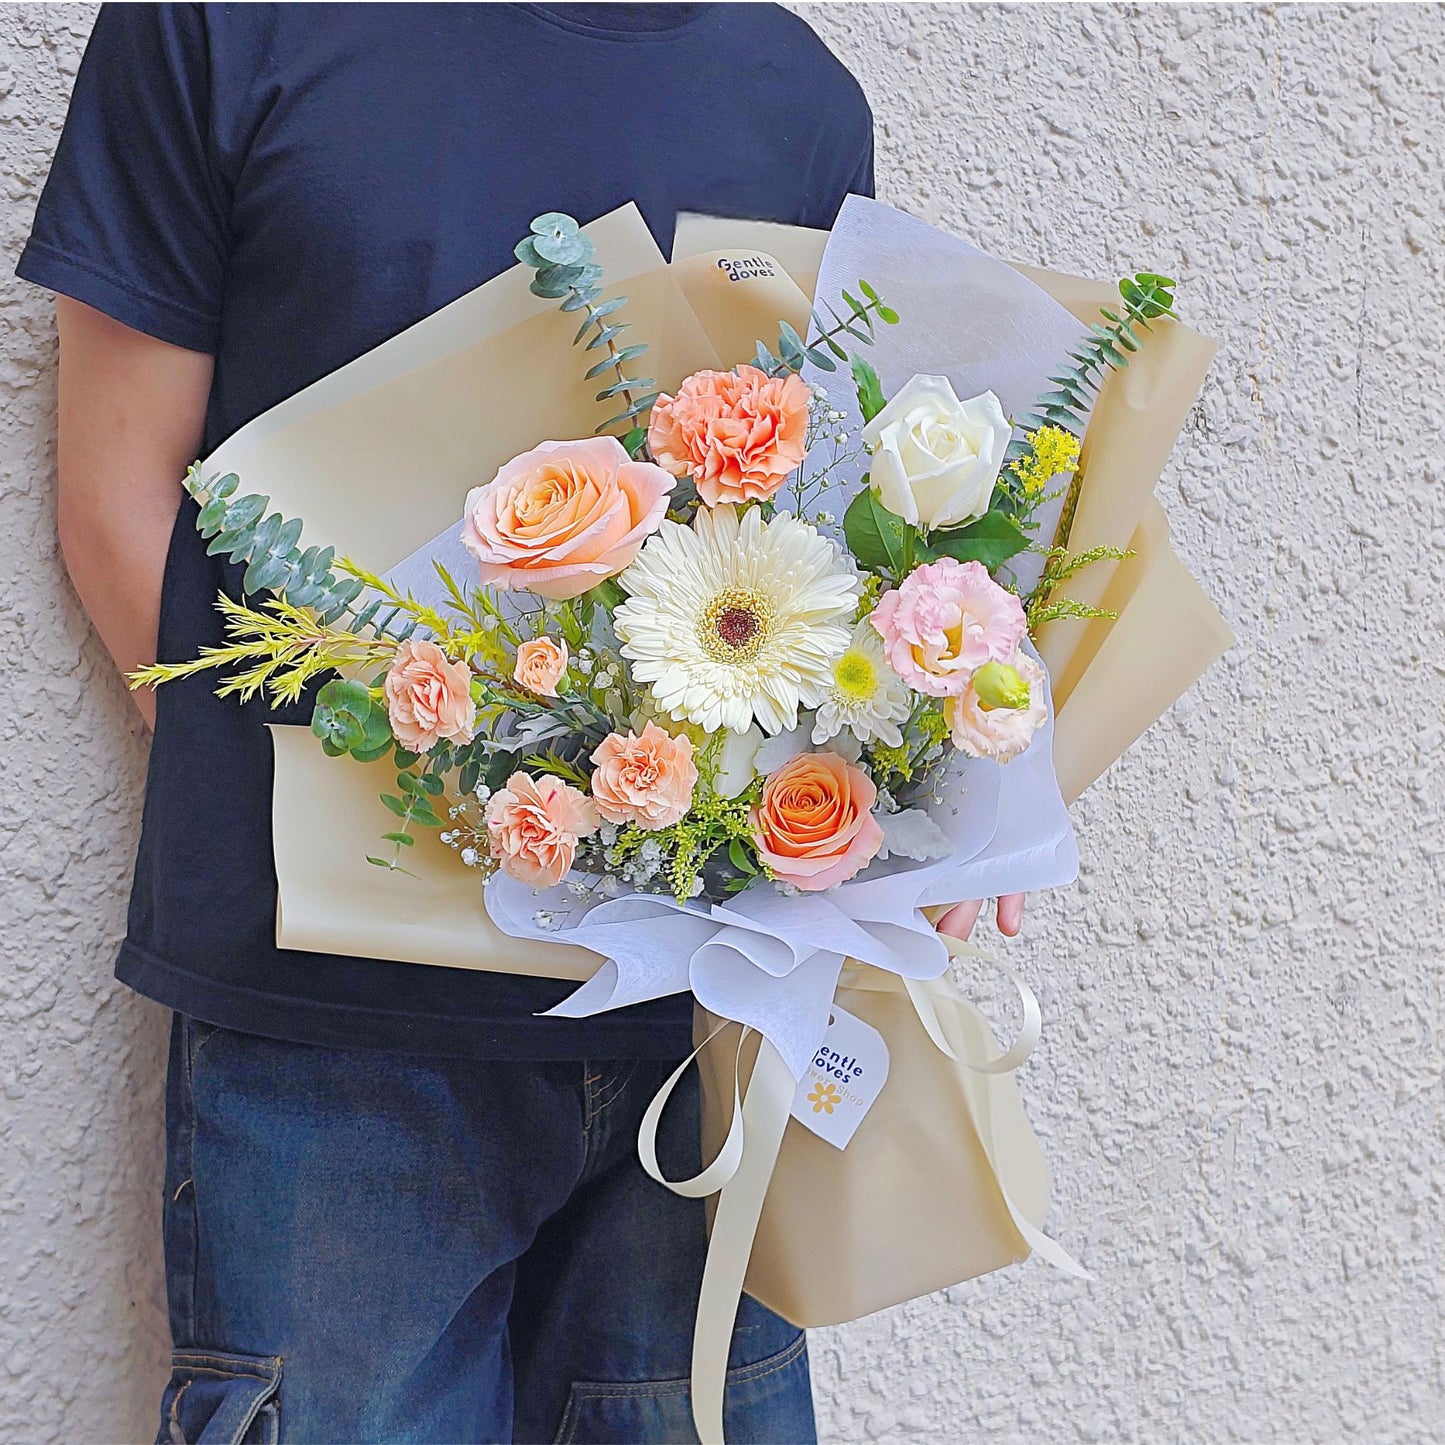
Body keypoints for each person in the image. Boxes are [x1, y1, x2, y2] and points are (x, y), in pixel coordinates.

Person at [19, 5, 1021, 1441]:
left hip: (699, 1024)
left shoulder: (793, 91)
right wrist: (396, 814)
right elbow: (120, 505)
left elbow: (801, 535)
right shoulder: (221, 24)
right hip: (336, 1033)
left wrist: (942, 797)